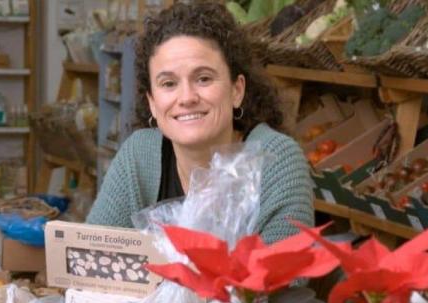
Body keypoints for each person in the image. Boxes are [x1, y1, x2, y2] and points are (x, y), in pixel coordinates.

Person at [86, 1, 314, 243]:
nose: (186, 98)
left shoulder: (278, 161)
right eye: (168, 83)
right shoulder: (138, 155)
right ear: (152, 102)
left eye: (203, 78)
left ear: (237, 90)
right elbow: (90, 254)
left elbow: (288, 277)